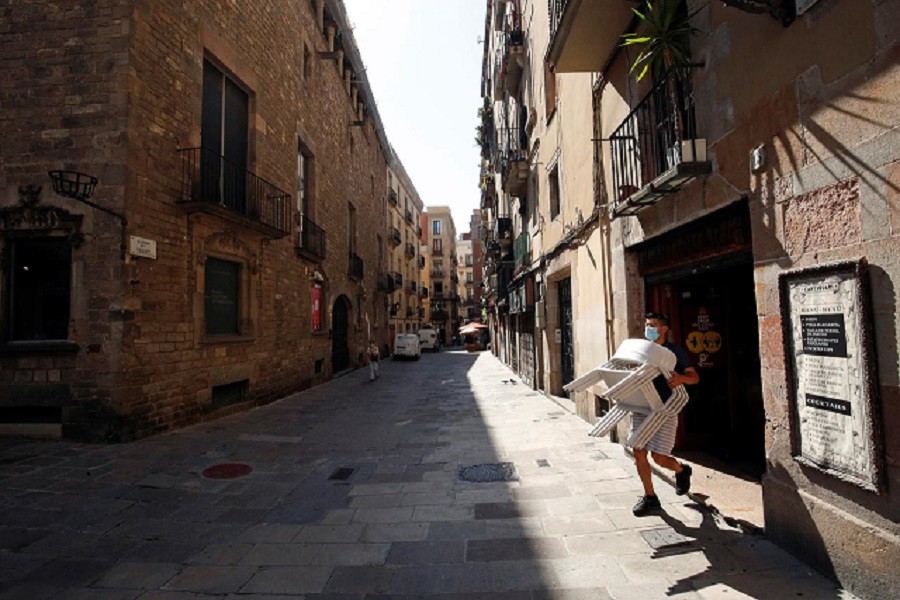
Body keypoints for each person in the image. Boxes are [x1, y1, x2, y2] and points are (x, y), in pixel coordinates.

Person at [631, 311, 700, 516]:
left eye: (652, 325)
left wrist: (680, 378)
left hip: (666, 408)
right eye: (646, 325)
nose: (648, 329)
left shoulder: (674, 352)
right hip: (642, 407)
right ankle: (650, 497)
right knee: (638, 450)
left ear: (663, 329)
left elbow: (694, 377)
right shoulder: (642, 350)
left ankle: (681, 470)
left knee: (659, 457)